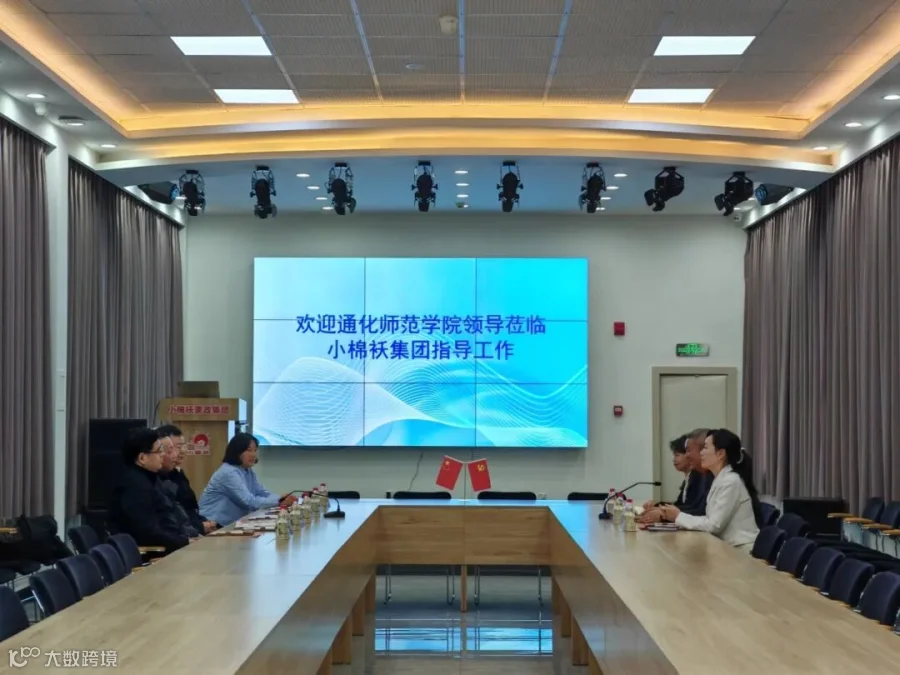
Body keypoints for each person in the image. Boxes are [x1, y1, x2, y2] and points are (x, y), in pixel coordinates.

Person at [658, 429, 762, 551]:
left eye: (705, 448)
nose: (701, 453)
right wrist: (678, 517)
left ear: (720, 454)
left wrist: (678, 516)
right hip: (724, 547)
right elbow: (708, 519)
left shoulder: (730, 481)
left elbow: (714, 525)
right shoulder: (720, 478)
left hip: (740, 550)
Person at [107, 427, 191, 554]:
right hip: (149, 553)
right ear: (142, 458)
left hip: (170, 544)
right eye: (159, 450)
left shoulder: (152, 478)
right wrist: (184, 542)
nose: (163, 454)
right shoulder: (134, 486)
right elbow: (148, 533)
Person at [198, 433, 297, 527]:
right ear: (237, 452)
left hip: (231, 525)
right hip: (212, 525)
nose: (253, 455)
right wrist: (279, 501)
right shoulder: (228, 472)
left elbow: (261, 492)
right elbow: (249, 501)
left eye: (255, 450)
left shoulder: (247, 470)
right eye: (249, 450)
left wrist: (282, 499)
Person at [640, 430, 713, 524]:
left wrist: (663, 514)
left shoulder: (702, 476)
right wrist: (659, 507)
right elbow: (680, 505)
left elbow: (699, 511)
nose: (687, 456)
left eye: (677, 455)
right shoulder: (697, 476)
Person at [156, 424, 217, 534]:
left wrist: (203, 522)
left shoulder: (178, 473)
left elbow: (190, 507)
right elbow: (174, 516)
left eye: (183, 446)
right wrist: (199, 527)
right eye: (177, 447)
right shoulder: (159, 480)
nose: (182, 451)